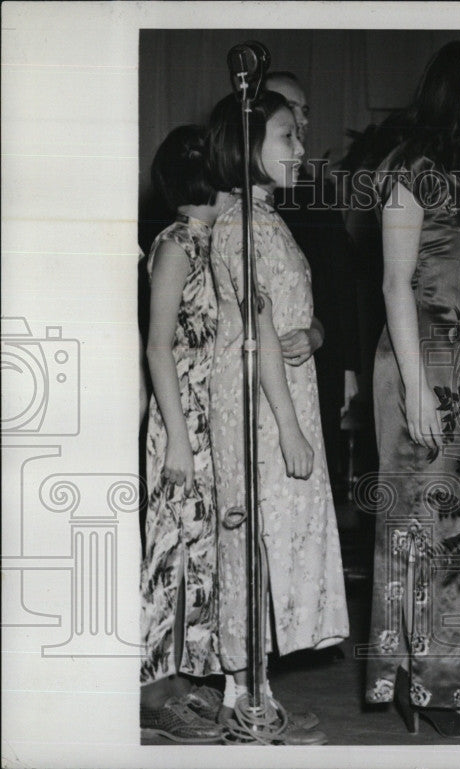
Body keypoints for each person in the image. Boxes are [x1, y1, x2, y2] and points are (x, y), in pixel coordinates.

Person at [363, 40, 460, 738]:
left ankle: (443, 679)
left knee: (449, 527)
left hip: (447, 358)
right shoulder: (412, 171)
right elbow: (396, 282)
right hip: (416, 356)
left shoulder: (445, 174)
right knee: (418, 527)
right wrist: (420, 388)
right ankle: (422, 683)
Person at [207, 90, 350, 744]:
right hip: (261, 404)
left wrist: (315, 333)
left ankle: (253, 693)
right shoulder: (238, 222)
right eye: (287, 136)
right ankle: (247, 700)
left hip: (283, 390)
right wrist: (290, 425)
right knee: (251, 539)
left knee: (269, 541)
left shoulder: (265, 217)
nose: (300, 150)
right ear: (248, 147)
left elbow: (290, 314)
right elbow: (256, 326)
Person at [139, 125, 229, 743]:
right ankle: (150, 690)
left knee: (197, 556)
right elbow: (158, 345)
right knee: (167, 554)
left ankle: (181, 681)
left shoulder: (211, 242)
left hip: (204, 417)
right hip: (179, 421)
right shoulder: (176, 243)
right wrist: (176, 437)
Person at [264, 72, 360, 497]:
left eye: (304, 111)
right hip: (265, 357)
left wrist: (347, 367)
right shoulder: (240, 206)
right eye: (292, 111)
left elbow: (340, 286)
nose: (302, 121)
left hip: (318, 354)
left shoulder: (317, 191)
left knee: (316, 483)